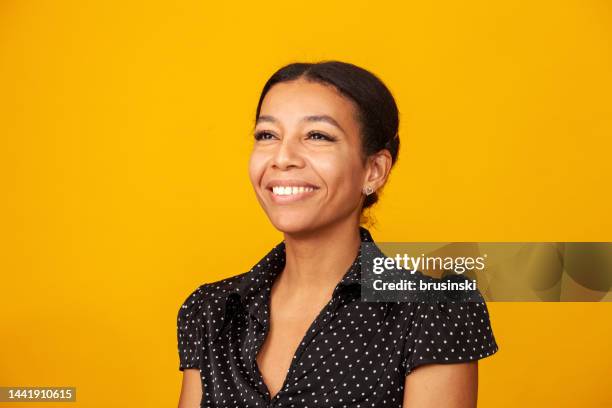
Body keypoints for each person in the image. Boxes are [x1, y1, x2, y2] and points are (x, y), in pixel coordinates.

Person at [177, 60, 498, 408]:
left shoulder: (433, 310)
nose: (283, 158)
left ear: (374, 170)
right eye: (267, 135)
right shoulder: (212, 310)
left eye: (318, 136)